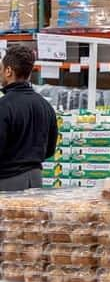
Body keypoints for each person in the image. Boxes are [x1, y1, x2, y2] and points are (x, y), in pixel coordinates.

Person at [0, 46, 57, 191]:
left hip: (7, 182)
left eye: (1, 69)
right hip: (36, 180)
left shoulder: (4, 105)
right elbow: (50, 149)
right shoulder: (45, 105)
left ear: (8, 71)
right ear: (29, 74)